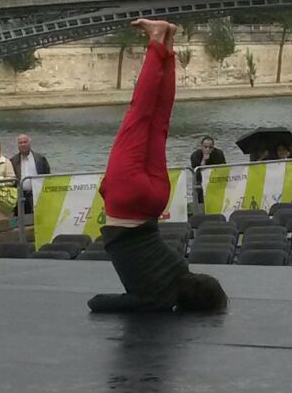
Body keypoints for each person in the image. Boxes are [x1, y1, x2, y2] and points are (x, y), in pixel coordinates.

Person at [88, 19, 228, 313]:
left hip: (155, 201)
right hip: (127, 203)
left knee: (159, 119)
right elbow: (97, 303)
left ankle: (168, 41)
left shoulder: (180, 267)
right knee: (138, 114)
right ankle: (155, 39)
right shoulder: (154, 298)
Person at [10, 134, 51, 214]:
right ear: (18, 145)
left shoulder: (40, 159)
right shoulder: (13, 161)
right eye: (20, 143)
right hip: (20, 196)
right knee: (21, 218)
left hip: (37, 194)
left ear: (29, 143)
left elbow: (48, 176)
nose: (23, 145)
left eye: (25, 142)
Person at [190, 136, 226, 202]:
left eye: (210, 147)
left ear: (213, 147)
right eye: (205, 147)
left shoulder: (219, 153)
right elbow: (197, 173)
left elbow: (223, 169)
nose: (208, 149)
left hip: (216, 180)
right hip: (200, 181)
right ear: (201, 146)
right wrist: (204, 160)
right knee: (199, 189)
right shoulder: (195, 155)